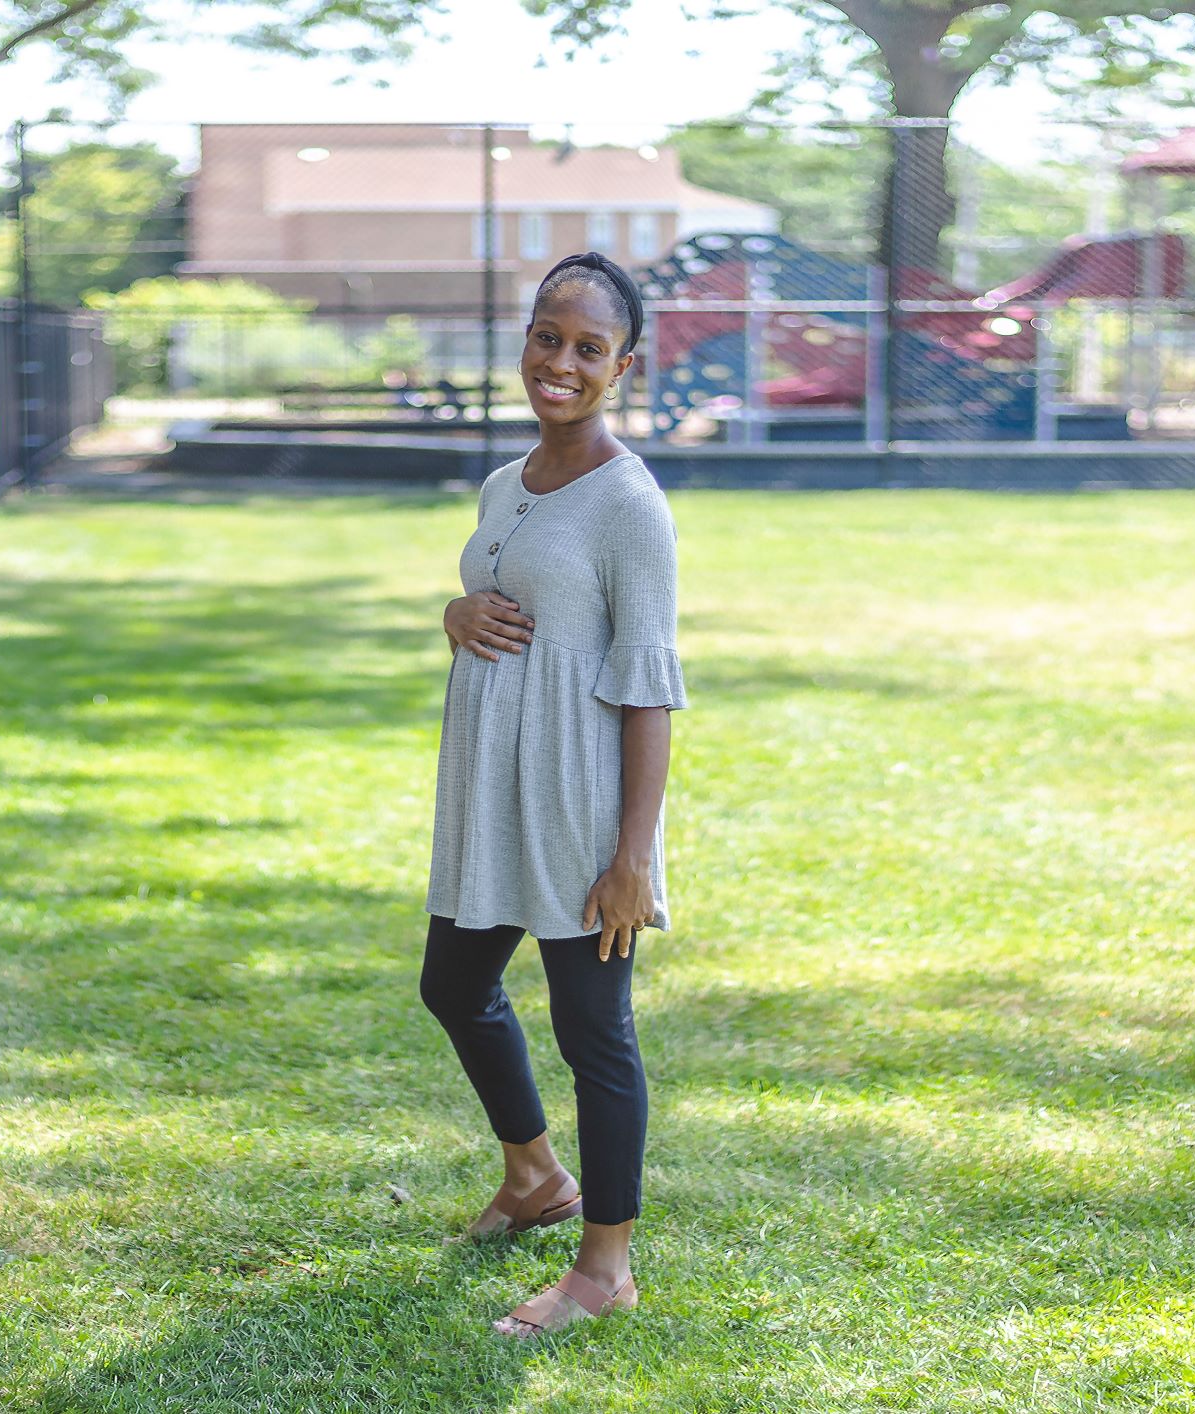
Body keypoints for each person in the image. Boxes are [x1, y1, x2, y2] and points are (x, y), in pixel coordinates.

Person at [419, 251, 688, 1339]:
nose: (559, 362)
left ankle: (604, 1268)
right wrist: (454, 613)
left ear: (623, 363)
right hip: (491, 798)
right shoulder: (503, 483)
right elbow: (495, 597)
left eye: (587, 347)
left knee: (595, 1034)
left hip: (580, 814)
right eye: (545, 337)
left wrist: (632, 856)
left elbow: (649, 687)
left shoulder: (630, 505)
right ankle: (534, 1176)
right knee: (453, 983)